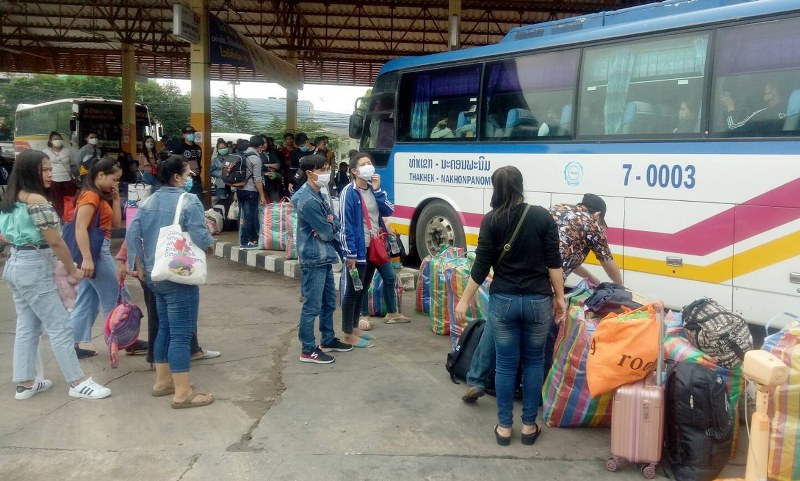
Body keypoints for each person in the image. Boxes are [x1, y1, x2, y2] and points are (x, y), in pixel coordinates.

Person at [461, 193, 622, 403]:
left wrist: (592, 279)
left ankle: (476, 380)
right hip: (541, 287)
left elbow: (564, 254)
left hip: (513, 274)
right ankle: (537, 392)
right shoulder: (591, 224)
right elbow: (608, 264)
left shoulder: (556, 210)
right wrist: (620, 287)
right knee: (543, 339)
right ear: (598, 215)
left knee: (496, 324)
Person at [455, 165, 565, 446]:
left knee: (505, 364)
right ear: (520, 185)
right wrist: (560, 298)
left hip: (503, 301)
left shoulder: (491, 220)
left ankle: (504, 427)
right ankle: (528, 426)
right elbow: (554, 262)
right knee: (534, 362)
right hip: (538, 301)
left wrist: (465, 300)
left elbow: (481, 265)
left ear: (496, 189)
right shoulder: (541, 216)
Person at [0, 150, 111, 399]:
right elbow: (56, 242)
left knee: (27, 325)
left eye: (50, 169)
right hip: (34, 266)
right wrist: (72, 268)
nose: (50, 174)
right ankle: (77, 382)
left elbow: (6, 235)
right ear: (30, 172)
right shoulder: (36, 201)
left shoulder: (11, 198)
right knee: (60, 326)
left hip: (15, 263)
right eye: (45, 169)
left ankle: (26, 383)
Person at [125, 155, 216, 408]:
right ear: (176, 177)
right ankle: (182, 393)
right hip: (179, 275)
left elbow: (132, 233)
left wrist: (138, 264)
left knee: (164, 328)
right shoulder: (189, 200)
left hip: (155, 274)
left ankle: (163, 382)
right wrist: (210, 245)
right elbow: (199, 234)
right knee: (181, 334)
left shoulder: (148, 200)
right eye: (187, 174)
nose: (190, 178)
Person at [292, 154, 353, 364]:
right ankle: (308, 349)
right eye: (322, 170)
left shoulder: (318, 193)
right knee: (312, 306)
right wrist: (331, 224)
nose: (327, 173)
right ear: (310, 173)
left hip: (324, 255)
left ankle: (327, 339)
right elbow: (327, 232)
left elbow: (332, 223)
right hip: (313, 257)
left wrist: (331, 222)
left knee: (329, 302)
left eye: (327, 169)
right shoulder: (308, 200)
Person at [70, 157, 129, 359]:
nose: (115, 183)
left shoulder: (99, 196)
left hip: (96, 249)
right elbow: (80, 227)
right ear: (101, 175)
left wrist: (115, 198)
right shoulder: (91, 196)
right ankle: (124, 340)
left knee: (87, 299)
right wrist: (88, 258)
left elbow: (116, 224)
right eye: (114, 179)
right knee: (117, 296)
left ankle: (71, 345)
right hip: (96, 251)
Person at [338, 152, 395, 347]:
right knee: (352, 291)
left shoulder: (372, 189)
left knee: (362, 289)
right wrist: (350, 254)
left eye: (369, 163)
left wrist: (378, 191)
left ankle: (355, 328)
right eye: (363, 164)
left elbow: (388, 210)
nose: (369, 166)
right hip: (358, 251)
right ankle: (347, 334)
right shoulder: (349, 192)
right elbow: (345, 226)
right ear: (354, 171)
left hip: (373, 248)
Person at [719, 80, 785, 132]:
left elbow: (733, 126)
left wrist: (730, 106)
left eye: (765, 93)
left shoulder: (763, 114)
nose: (763, 97)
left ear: (772, 94)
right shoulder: (788, 110)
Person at [238, 135, 267, 249]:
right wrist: (262, 195)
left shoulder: (242, 154)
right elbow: (257, 180)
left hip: (240, 190)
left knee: (245, 216)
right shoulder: (256, 158)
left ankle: (250, 240)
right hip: (251, 191)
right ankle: (244, 242)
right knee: (249, 218)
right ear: (259, 146)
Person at [42, 131, 77, 219]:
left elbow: (73, 165)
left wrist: (76, 176)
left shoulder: (67, 151)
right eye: (55, 139)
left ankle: (69, 218)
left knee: (69, 201)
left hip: (67, 180)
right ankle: (57, 218)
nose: (58, 140)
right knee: (55, 202)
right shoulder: (45, 152)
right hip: (53, 180)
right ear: (50, 141)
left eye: (59, 139)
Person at [172, 126, 203, 198]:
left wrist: (198, 170)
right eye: (189, 133)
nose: (191, 134)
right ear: (184, 135)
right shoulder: (179, 147)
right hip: (184, 178)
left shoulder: (198, 148)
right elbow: (174, 163)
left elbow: (199, 162)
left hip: (196, 178)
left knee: (198, 198)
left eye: (192, 133)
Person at [260, 136, 283, 203]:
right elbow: (258, 168)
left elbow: (278, 165)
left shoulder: (271, 153)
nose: (263, 145)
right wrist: (272, 167)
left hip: (273, 183)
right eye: (261, 143)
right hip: (261, 184)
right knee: (263, 205)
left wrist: (266, 165)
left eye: (265, 142)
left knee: (275, 204)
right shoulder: (256, 155)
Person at [210, 138, 228, 206]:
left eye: (224, 147)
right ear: (217, 149)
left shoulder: (232, 157)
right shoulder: (215, 160)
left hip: (232, 186)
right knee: (221, 204)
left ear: (227, 148)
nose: (223, 149)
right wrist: (221, 172)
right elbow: (211, 171)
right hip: (221, 185)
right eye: (220, 148)